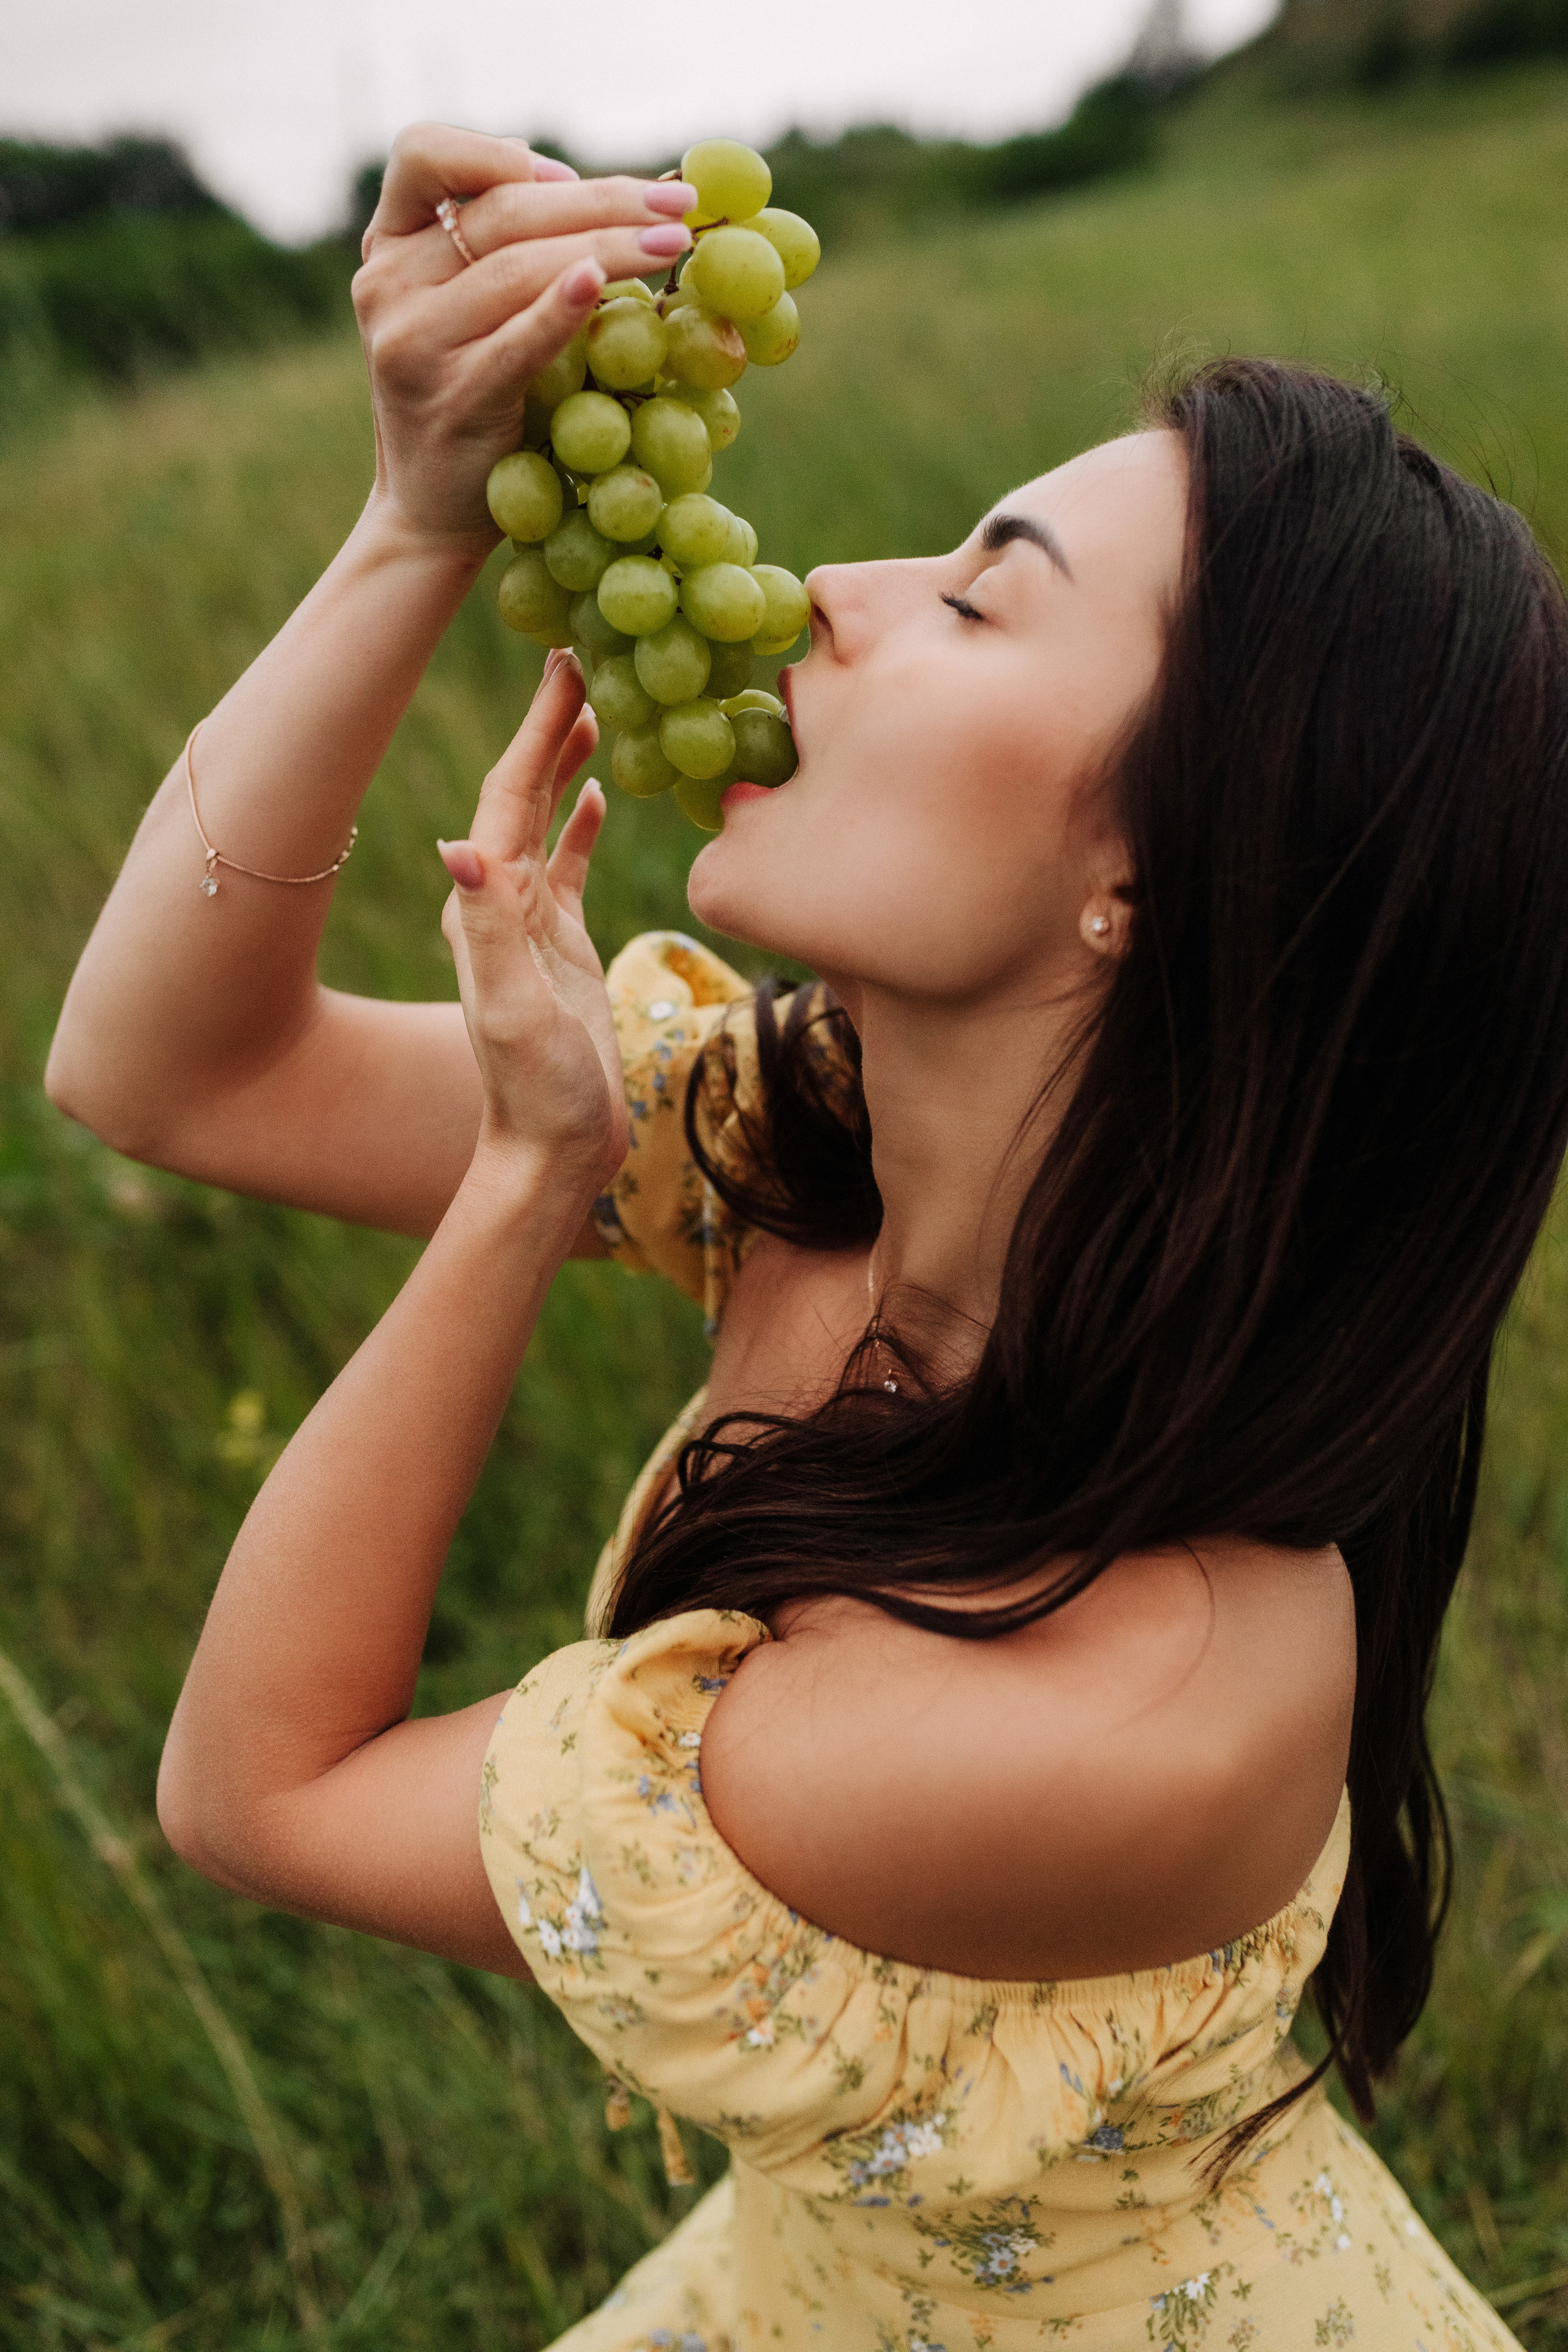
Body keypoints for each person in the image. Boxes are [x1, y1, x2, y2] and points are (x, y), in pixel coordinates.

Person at [46, 121, 1565, 2351]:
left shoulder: (1127, 1709)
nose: (825, 589)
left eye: (976, 593)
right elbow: (165, 1072)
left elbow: (255, 1797)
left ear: (1143, 877)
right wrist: (414, 521)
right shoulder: (830, 1137)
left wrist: (517, 1183)